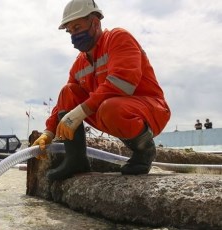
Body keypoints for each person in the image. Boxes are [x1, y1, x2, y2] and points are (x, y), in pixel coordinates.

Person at [33, 0, 171, 180]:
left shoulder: (118, 38)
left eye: (77, 27)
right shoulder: (79, 63)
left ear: (95, 23)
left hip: (149, 108)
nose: (74, 35)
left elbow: (123, 83)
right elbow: (65, 101)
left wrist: (78, 113)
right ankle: (76, 161)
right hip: (109, 109)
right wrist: (48, 133)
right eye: (70, 31)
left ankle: (144, 152)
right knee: (68, 91)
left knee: (109, 107)